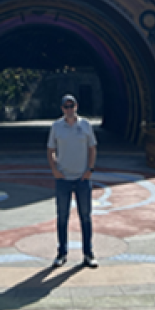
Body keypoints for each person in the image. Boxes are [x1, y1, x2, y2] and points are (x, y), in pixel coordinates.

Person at [47, 93, 98, 268]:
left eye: (72, 106)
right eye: (66, 107)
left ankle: (88, 253)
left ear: (76, 106)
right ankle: (62, 253)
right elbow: (50, 149)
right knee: (62, 217)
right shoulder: (56, 126)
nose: (69, 109)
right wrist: (55, 169)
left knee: (85, 217)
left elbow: (92, 147)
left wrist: (90, 169)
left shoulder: (85, 125)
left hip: (82, 179)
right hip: (63, 180)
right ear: (62, 109)